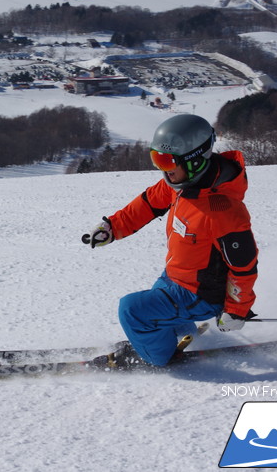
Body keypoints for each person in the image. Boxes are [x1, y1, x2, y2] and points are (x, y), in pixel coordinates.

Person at [83, 114, 258, 367]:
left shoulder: (223, 211)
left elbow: (244, 267)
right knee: (156, 300)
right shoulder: (182, 181)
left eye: (166, 160)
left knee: (133, 310)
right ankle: (175, 335)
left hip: (201, 294)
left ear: (195, 160)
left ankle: (157, 357)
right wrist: (113, 227)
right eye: (156, 159)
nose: (162, 169)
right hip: (176, 276)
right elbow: (149, 202)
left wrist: (236, 310)